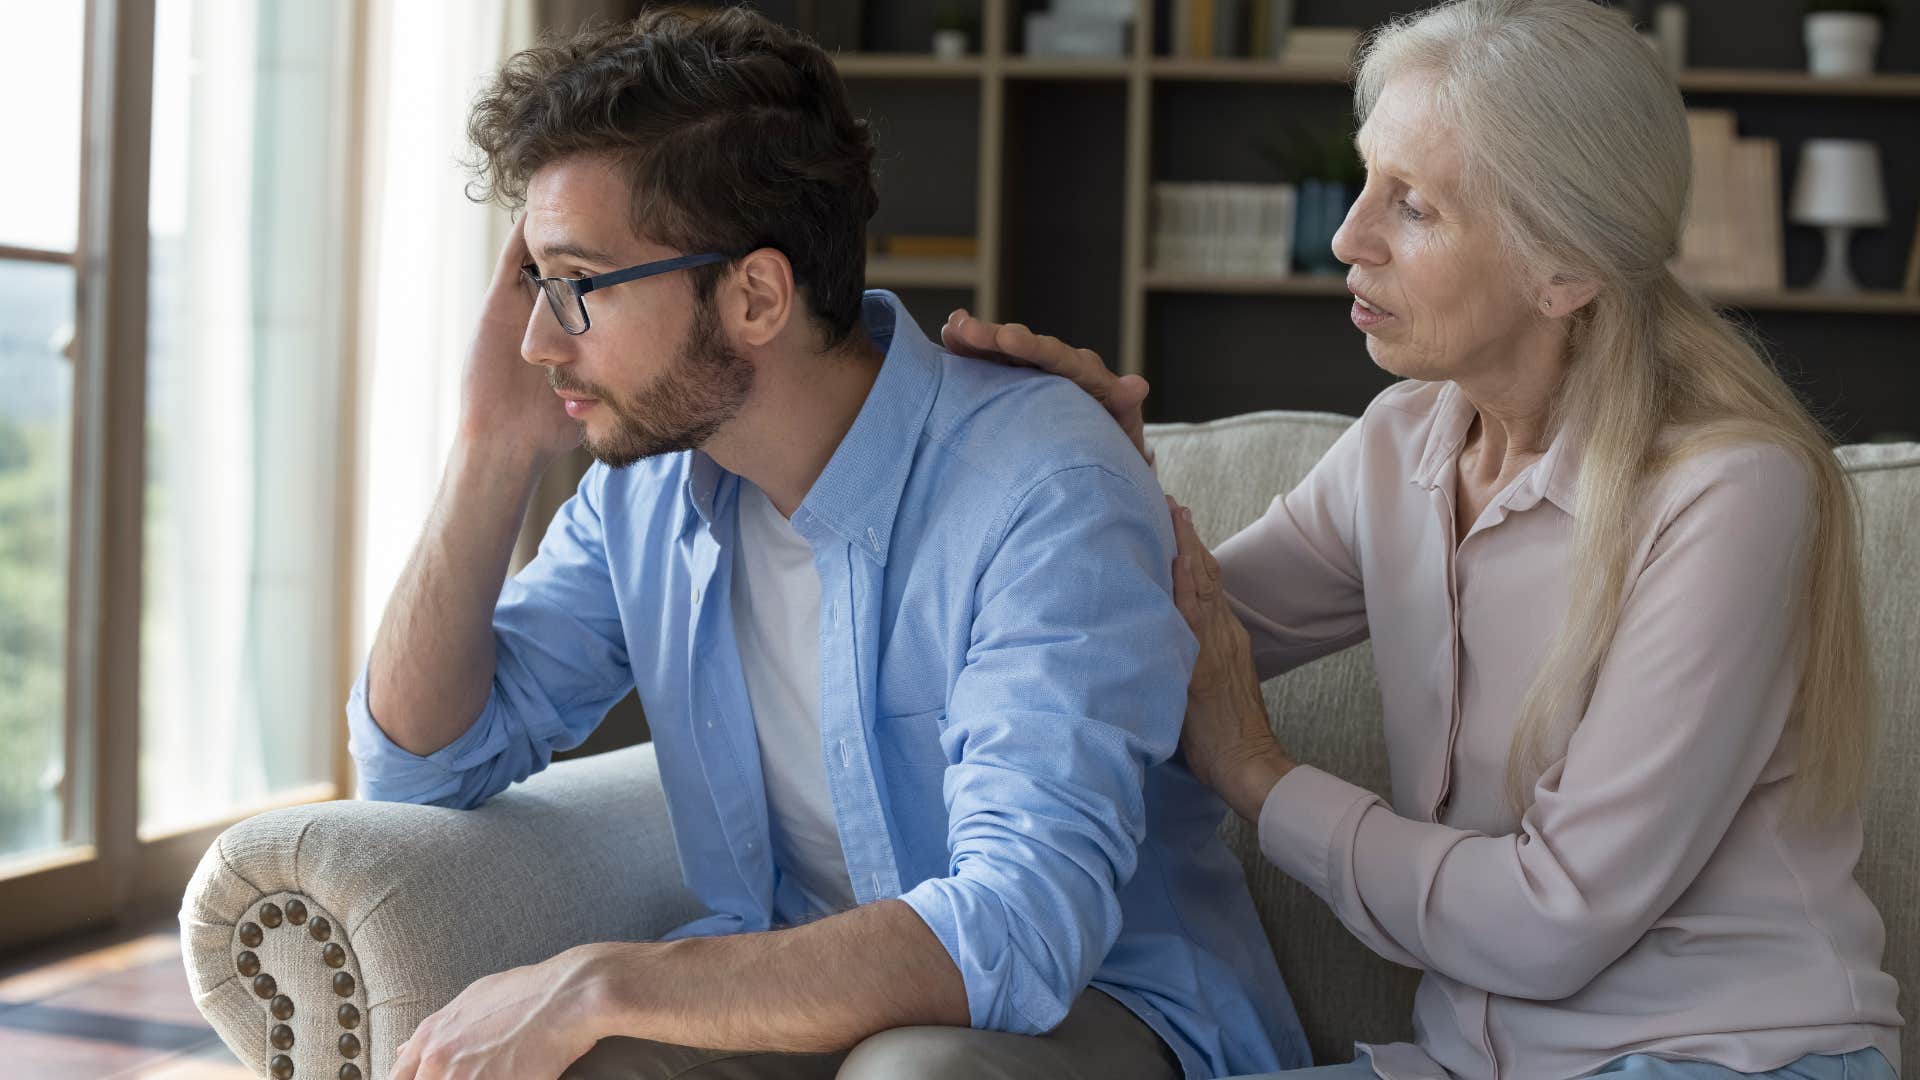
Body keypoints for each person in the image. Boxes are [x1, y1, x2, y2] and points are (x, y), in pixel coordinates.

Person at [942, 1, 1904, 1078]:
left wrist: (1259, 774)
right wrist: (1095, 469)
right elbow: (1160, 633)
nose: (1350, 238)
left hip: (1728, 1061)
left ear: (1563, 271)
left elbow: (1555, 918)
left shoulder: (1728, 494)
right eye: (1366, 181)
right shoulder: (1402, 445)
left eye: (1414, 206)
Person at [349, 8, 1309, 1080]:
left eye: (575, 285)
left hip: (1097, 1011)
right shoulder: (653, 493)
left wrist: (598, 980)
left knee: (915, 1073)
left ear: (755, 295)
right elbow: (419, 764)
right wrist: (490, 449)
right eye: (536, 286)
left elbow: (1021, 931)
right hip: (802, 1001)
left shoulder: (1044, 488)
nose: (539, 340)